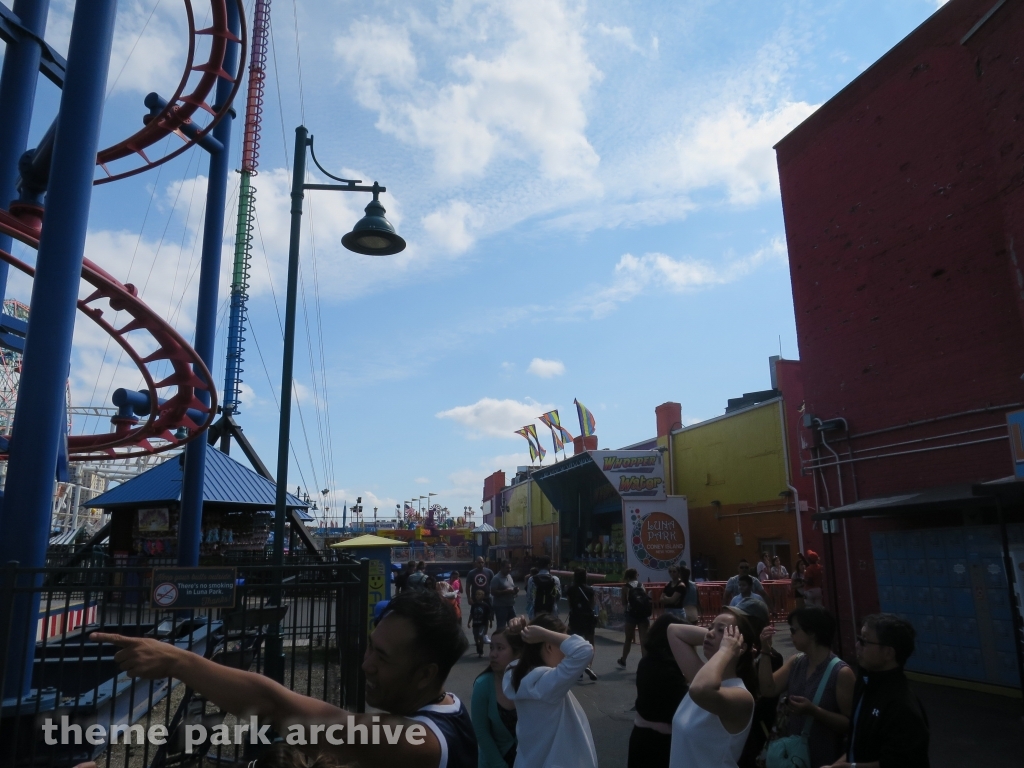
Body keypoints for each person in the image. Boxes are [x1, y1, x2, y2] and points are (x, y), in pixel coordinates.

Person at [91, 589, 477, 768]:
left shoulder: (421, 743)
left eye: (383, 657)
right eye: (370, 648)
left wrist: (177, 661)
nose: (366, 665)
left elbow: (278, 708)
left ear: (427, 673)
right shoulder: (452, 711)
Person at [666, 597, 768, 768]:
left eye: (722, 631)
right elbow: (673, 631)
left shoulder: (741, 696)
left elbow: (699, 690)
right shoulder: (703, 676)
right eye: (709, 628)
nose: (710, 633)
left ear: (739, 646)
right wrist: (716, 634)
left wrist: (728, 648)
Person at [823, 614, 930, 768]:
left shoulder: (902, 706)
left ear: (888, 653)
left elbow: (898, 763)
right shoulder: (865, 682)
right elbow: (857, 743)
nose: (857, 645)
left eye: (864, 641)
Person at [758, 607, 855, 768]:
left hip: (825, 758)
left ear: (812, 633)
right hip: (793, 756)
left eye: (794, 630)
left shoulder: (841, 672)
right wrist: (765, 651)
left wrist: (814, 711)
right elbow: (768, 689)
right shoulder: (796, 662)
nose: (791, 634)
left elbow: (850, 724)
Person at [503, 614, 599, 768]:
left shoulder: (513, 673)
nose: (566, 653)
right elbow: (584, 650)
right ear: (549, 646)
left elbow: (528, 654)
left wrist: (525, 633)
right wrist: (545, 634)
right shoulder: (548, 684)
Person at [627, 614, 688, 768]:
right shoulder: (668, 669)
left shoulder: (648, 661)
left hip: (642, 737)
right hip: (660, 742)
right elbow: (682, 708)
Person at [473, 628, 524, 768]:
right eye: (491, 648)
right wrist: (500, 765)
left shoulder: (530, 682)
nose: (493, 654)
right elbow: (481, 733)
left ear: (518, 653)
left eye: (500, 648)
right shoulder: (482, 685)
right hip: (493, 763)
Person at [565, 568, 599, 681]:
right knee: (590, 643)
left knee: (575, 643)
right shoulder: (590, 589)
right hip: (588, 617)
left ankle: (578, 671)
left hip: (575, 617)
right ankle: (589, 666)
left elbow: (570, 605)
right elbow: (592, 605)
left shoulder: (571, 589)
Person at [618, 568, 653, 666]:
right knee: (643, 640)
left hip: (631, 614)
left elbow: (624, 603)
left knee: (628, 639)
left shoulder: (625, 587)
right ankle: (645, 662)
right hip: (643, 614)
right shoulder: (641, 585)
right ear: (636, 575)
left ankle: (623, 659)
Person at [490, 560, 519, 632]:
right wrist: (506, 592)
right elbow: (493, 592)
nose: (509, 570)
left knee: (514, 625)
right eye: (507, 568)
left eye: (510, 568)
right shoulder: (496, 578)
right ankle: (499, 641)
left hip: (510, 605)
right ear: (501, 568)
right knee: (501, 627)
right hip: (501, 606)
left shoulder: (509, 576)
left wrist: (515, 590)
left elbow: (512, 587)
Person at [471, 589, 495, 656]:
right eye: (476, 595)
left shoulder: (485, 605)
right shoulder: (474, 605)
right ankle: (478, 646)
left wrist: (490, 622)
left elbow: (489, 615)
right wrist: (469, 622)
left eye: (479, 594)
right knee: (476, 637)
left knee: (480, 636)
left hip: (482, 624)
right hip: (475, 623)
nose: (477, 596)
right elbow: (472, 614)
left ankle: (481, 650)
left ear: (483, 596)